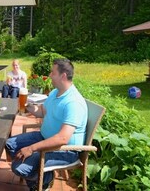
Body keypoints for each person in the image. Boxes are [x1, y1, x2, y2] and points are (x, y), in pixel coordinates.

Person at [5, 59, 88, 191]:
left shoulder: (73, 103)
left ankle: (45, 180)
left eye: (52, 72)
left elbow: (62, 138)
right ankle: (40, 175)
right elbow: (42, 112)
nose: (49, 75)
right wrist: (26, 107)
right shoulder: (55, 92)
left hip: (65, 150)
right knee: (10, 144)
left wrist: (31, 148)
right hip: (44, 137)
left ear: (63, 76)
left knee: (19, 167)